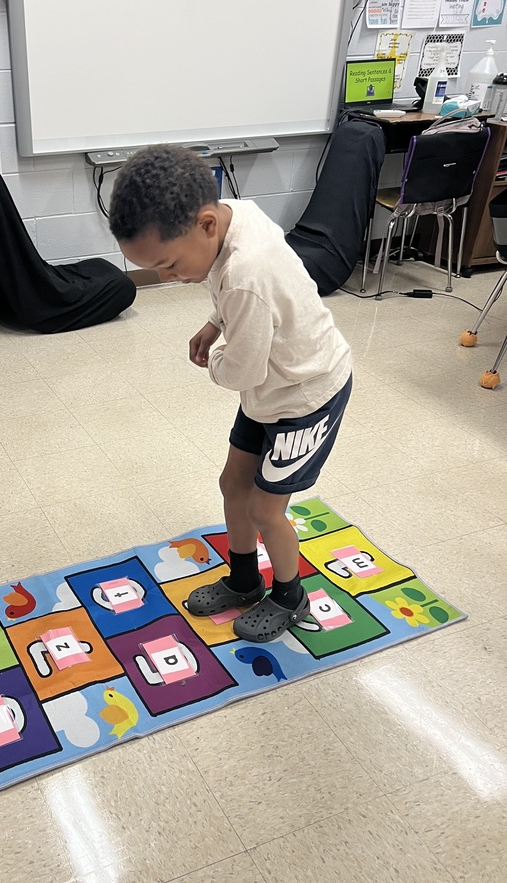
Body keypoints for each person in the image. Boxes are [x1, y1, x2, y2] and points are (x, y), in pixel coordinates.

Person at [108, 144, 352, 643]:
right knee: (232, 485)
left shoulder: (247, 275)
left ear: (205, 225)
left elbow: (241, 370)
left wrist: (216, 357)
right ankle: (244, 580)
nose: (167, 278)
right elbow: (234, 296)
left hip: (306, 396)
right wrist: (215, 321)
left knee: (266, 509)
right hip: (271, 389)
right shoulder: (236, 214)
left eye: (169, 265)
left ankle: (289, 595)